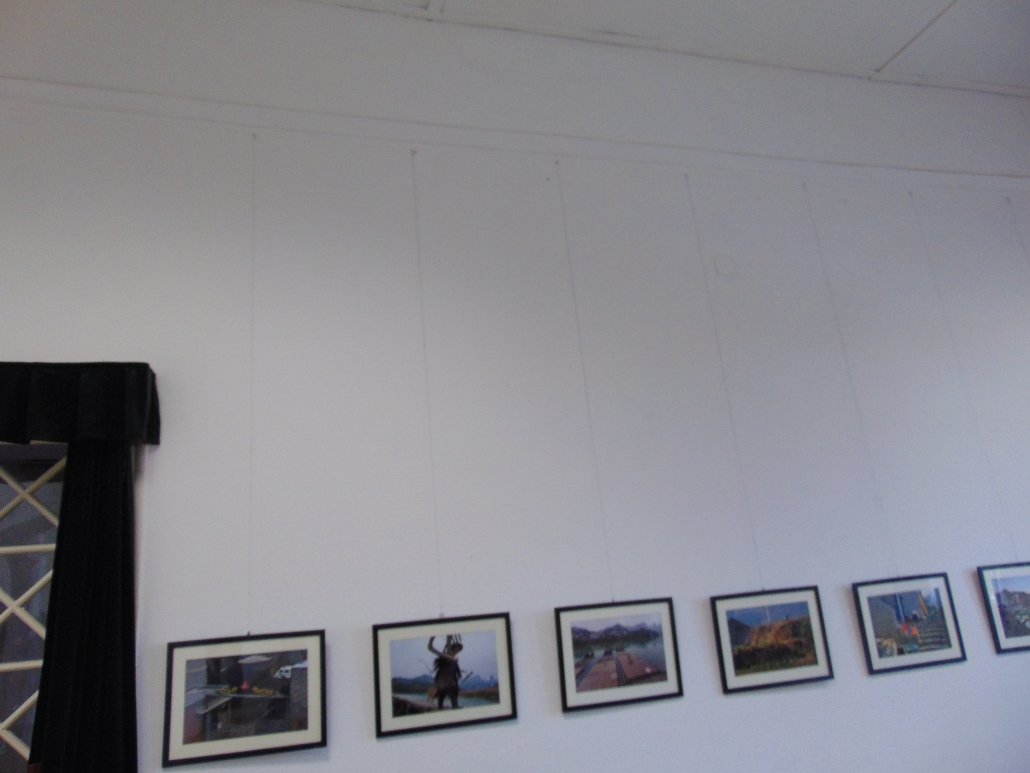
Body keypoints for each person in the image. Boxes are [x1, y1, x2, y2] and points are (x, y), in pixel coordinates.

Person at [427, 634, 463, 709]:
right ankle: (442, 707)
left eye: (458, 650)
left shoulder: (454, 660)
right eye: (457, 649)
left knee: (452, 694)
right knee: (442, 696)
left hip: (450, 682)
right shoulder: (447, 656)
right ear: (454, 649)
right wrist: (448, 640)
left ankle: (454, 706)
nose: (457, 651)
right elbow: (445, 650)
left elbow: (455, 672)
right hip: (443, 682)